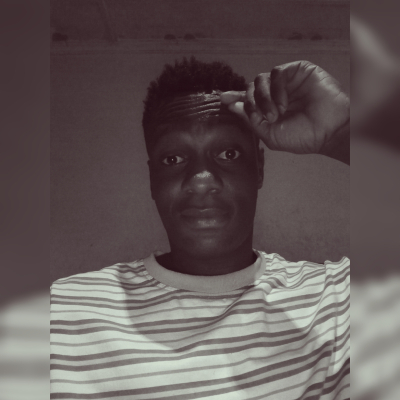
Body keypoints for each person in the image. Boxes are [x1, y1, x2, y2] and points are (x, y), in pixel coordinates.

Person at [51, 57, 349, 400]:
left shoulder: (332, 302)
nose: (201, 180)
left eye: (228, 153)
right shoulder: (64, 312)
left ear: (259, 168)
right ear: (152, 179)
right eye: (173, 159)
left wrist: (343, 132)